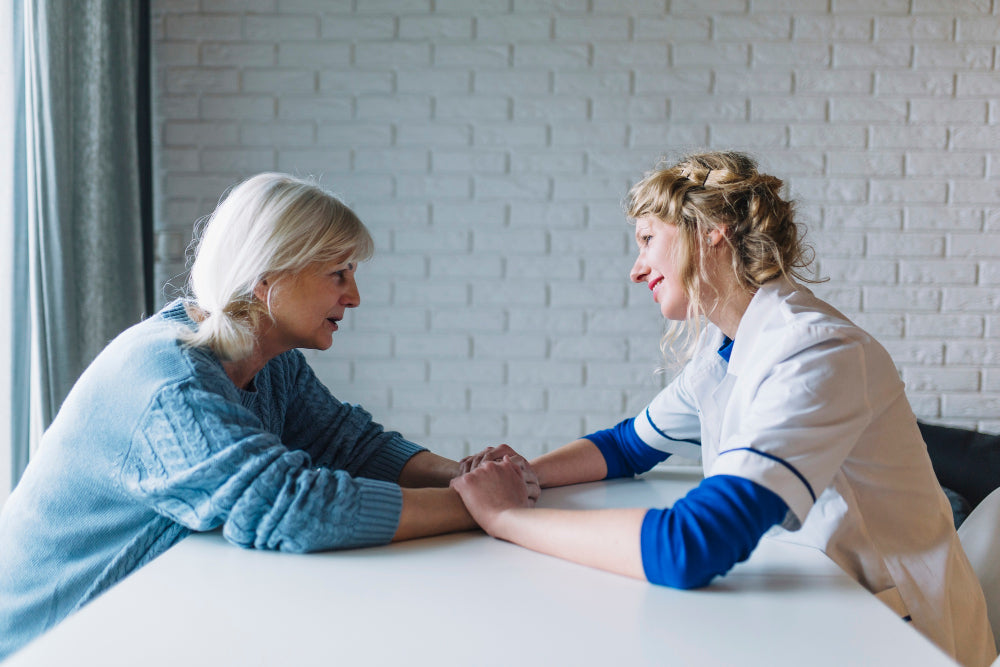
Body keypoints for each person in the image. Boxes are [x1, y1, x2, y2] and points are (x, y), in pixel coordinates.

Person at [451, 151, 996, 667]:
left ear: (712, 232)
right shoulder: (724, 348)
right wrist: (522, 476)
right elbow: (625, 446)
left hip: (902, 637)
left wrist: (507, 516)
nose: (636, 269)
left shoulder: (818, 352)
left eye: (647, 240)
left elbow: (692, 545)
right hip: (820, 608)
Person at [0, 172, 538, 659]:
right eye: (339, 273)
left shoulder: (268, 361)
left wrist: (464, 472)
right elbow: (293, 509)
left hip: (129, 627)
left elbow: (349, 443)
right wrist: (480, 508)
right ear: (266, 279)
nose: (354, 296)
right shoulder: (169, 379)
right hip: (47, 644)